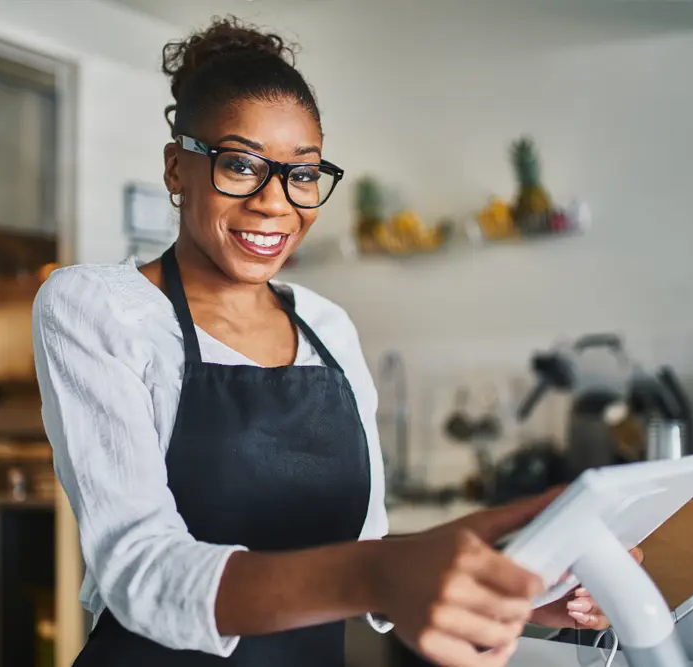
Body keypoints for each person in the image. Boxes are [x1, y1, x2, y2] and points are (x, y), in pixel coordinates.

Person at [32, 16, 636, 667]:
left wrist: (528, 591)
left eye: (303, 173)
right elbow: (142, 575)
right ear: (178, 167)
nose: (275, 202)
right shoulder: (98, 308)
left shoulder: (328, 326)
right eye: (240, 164)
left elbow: (369, 545)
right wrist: (377, 573)